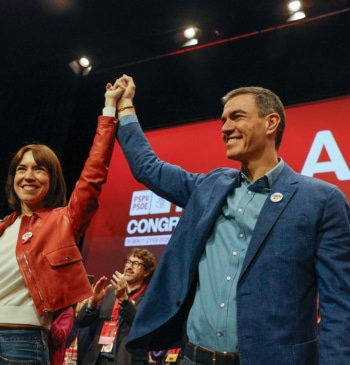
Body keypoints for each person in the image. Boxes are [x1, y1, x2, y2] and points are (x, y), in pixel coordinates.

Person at [112, 74, 350, 365]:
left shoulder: (322, 200)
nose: (225, 128)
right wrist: (125, 109)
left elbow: (340, 305)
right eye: (223, 121)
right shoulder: (209, 186)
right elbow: (148, 168)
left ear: (271, 123)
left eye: (236, 117)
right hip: (193, 358)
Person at [0, 82, 125, 364]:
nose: (28, 176)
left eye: (39, 169)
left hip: (22, 343)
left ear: (52, 179)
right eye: (21, 169)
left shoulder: (64, 220)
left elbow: (94, 172)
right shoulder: (3, 228)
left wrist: (108, 110)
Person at [76, 248, 157, 365]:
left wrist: (124, 300)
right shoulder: (110, 292)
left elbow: (141, 326)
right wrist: (92, 303)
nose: (129, 266)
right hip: (97, 359)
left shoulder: (150, 298)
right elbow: (81, 322)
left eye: (136, 264)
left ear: (146, 272)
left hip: (127, 360)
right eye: (128, 262)